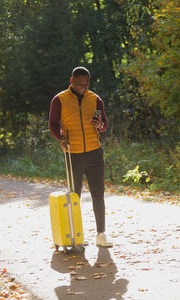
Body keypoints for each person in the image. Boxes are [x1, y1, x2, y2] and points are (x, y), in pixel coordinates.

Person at [49, 66, 112, 247]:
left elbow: (104, 124)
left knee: (98, 195)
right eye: (78, 85)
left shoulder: (96, 99)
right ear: (71, 81)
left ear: (88, 83)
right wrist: (61, 138)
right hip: (73, 154)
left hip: (94, 153)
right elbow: (53, 124)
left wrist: (100, 125)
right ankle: (75, 235)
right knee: (74, 196)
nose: (82, 88)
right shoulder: (59, 100)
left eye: (85, 85)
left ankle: (101, 234)